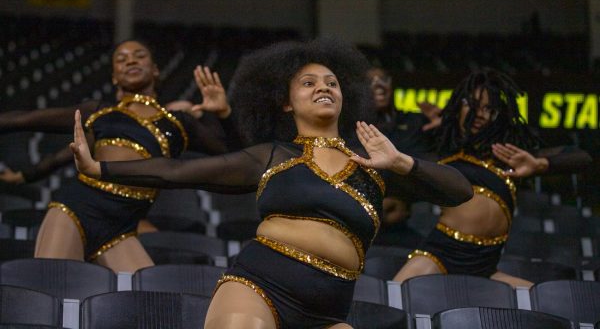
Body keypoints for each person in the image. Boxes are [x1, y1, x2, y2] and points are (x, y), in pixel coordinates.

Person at [72, 38, 473, 328]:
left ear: (345, 96)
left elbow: (460, 190)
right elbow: (176, 172)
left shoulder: (375, 160)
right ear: (285, 102)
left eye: (332, 82)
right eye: (309, 82)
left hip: (329, 313)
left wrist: (402, 163)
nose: (323, 88)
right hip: (259, 286)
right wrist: (99, 169)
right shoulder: (270, 155)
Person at [0, 39, 230, 272]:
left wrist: (223, 114)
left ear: (155, 69)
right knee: (51, 283)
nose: (130, 60)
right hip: (76, 208)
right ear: (114, 77)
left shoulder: (180, 122)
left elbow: (232, 155)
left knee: (147, 299)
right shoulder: (101, 112)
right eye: (121, 59)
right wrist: (26, 176)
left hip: (121, 228)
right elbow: (28, 121)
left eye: (140, 55)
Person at [393, 69, 592, 288]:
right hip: (441, 254)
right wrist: (425, 126)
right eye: (473, 105)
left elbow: (583, 158)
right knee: (399, 294)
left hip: (485, 266)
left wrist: (540, 165)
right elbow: (392, 151)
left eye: (489, 108)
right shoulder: (442, 149)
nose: (480, 114)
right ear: (458, 106)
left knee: (545, 301)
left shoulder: (510, 154)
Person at [367, 66, 438, 247]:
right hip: (365, 224)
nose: (378, 85)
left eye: (383, 79)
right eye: (370, 82)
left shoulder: (417, 121)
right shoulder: (351, 128)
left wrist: (444, 125)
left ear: (391, 85)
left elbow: (439, 165)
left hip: (413, 218)